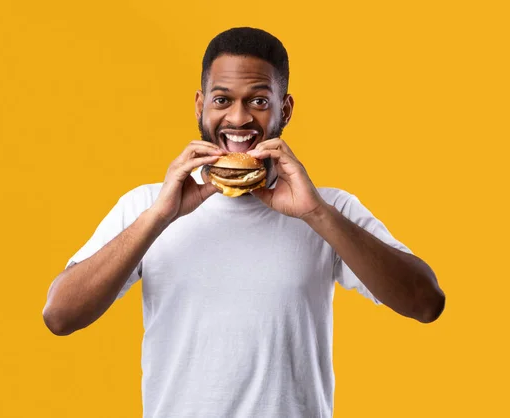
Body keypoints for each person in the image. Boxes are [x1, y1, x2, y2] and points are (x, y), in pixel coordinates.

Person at [43, 27, 445, 418]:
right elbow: (60, 316)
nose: (238, 118)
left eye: (258, 101)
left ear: (283, 109)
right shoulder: (148, 205)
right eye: (222, 100)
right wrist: (159, 218)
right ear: (200, 105)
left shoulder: (327, 208)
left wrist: (316, 214)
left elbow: (426, 303)